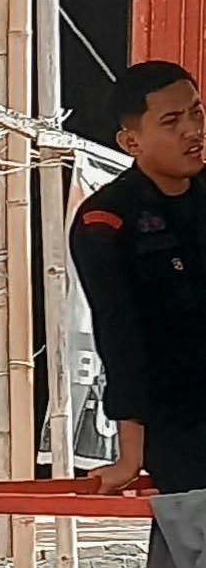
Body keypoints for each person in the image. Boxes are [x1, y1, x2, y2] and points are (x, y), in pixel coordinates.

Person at [68, 61, 206, 498]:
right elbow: (119, 333)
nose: (192, 130)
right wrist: (131, 455)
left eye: (197, 112)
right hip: (182, 422)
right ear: (132, 142)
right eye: (171, 121)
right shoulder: (106, 220)